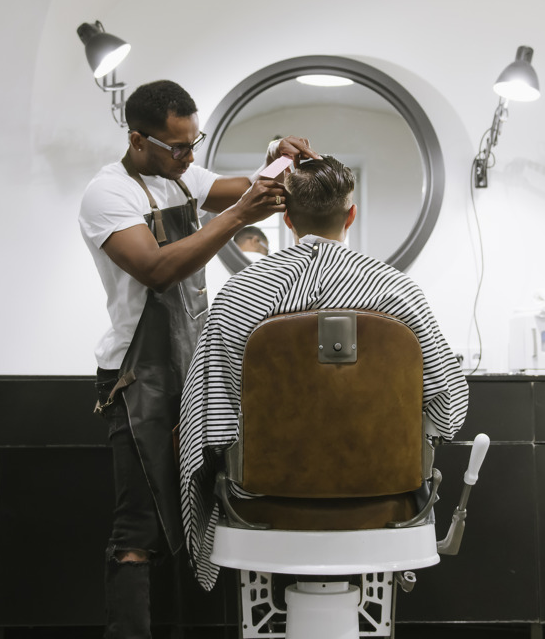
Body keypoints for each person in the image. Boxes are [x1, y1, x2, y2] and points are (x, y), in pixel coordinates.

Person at [78, 79, 320, 639]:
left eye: (194, 143)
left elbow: (241, 188)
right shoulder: (109, 194)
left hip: (190, 371)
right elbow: (158, 270)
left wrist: (277, 159)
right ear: (139, 141)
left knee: (199, 523)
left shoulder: (176, 173)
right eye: (179, 147)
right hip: (136, 379)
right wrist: (237, 217)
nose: (191, 158)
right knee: (139, 529)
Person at [179, 155, 469, 591]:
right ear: (352, 214)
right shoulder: (398, 291)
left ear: (287, 219)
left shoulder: (241, 295)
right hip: (385, 502)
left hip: (262, 505)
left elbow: (209, 420)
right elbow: (449, 404)